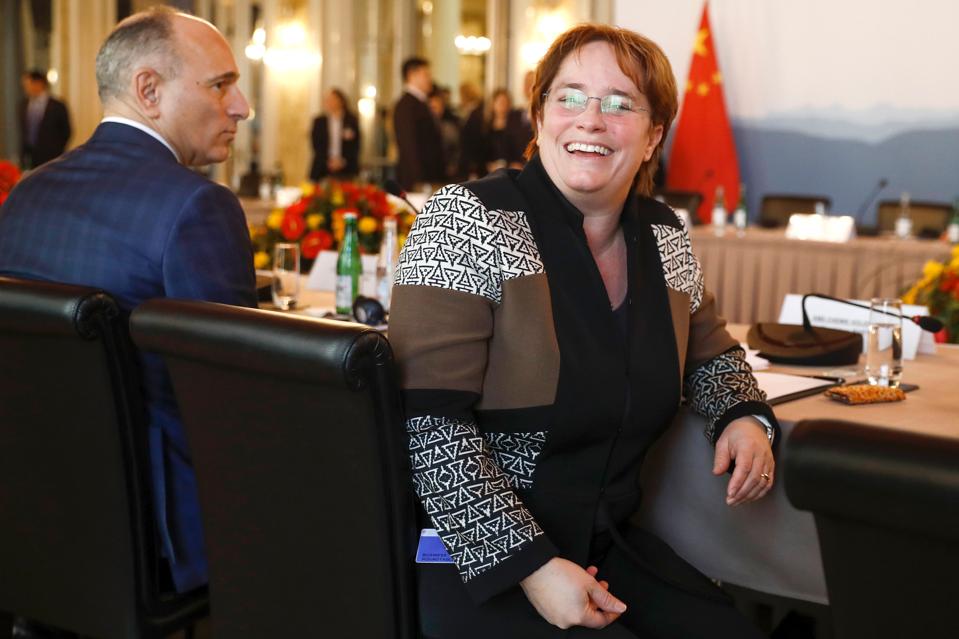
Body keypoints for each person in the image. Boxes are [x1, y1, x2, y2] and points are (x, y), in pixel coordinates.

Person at [389, 24, 777, 638]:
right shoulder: (466, 220)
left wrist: (743, 416)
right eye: (570, 96)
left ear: (652, 137)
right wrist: (535, 567)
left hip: (610, 545)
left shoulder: (663, 234)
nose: (591, 119)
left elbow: (712, 356)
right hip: (479, 558)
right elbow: (430, 424)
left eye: (621, 103)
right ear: (539, 117)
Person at [0, 7, 255, 595]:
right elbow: (235, 408)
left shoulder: (26, 194)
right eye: (221, 84)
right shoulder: (197, 206)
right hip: (164, 539)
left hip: (35, 516)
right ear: (148, 90)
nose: (241, 105)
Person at [393, 57, 445, 191]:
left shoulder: (421, 103)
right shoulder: (407, 105)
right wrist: (419, 180)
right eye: (426, 74)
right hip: (417, 180)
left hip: (430, 177)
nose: (430, 79)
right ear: (412, 75)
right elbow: (408, 144)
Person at [19, 69, 72, 169]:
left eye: (28, 84)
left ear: (38, 83)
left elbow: (67, 132)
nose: (25, 88)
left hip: (51, 157)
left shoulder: (57, 106)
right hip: (30, 158)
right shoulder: (23, 105)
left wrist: (57, 152)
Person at [309, 87, 360, 182]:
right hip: (322, 168)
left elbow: (356, 146)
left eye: (332, 99)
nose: (329, 102)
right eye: (327, 100)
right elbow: (316, 145)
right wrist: (328, 162)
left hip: (346, 168)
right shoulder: (319, 122)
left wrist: (342, 161)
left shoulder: (351, 121)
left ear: (341, 101)